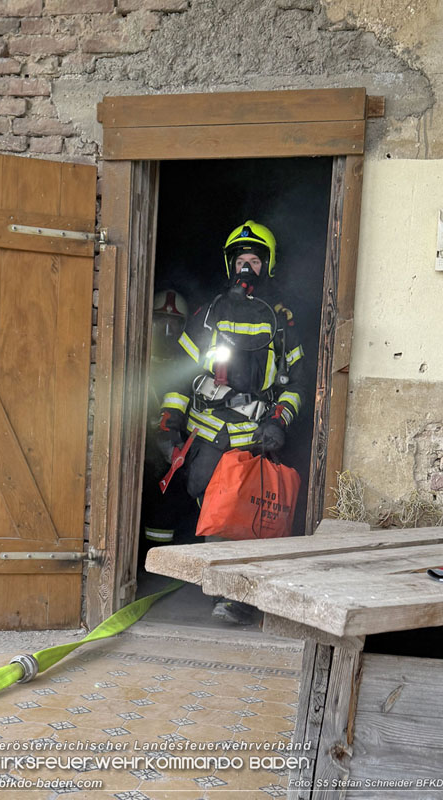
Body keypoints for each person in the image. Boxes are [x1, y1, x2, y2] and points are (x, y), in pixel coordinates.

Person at [155, 221, 306, 623]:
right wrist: (169, 421)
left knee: (240, 517)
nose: (246, 268)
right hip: (206, 434)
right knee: (205, 506)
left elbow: (297, 386)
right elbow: (181, 373)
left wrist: (280, 422)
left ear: (267, 266)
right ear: (229, 265)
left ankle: (233, 597)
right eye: (241, 260)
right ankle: (214, 581)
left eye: (254, 260)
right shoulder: (207, 315)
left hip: (252, 437)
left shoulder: (281, 321)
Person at [139, 289, 196, 567]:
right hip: (140, 441)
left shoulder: (189, 364)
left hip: (172, 443)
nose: (166, 328)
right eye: (160, 319)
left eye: (174, 323)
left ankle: (161, 560)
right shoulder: (137, 358)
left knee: (170, 492)